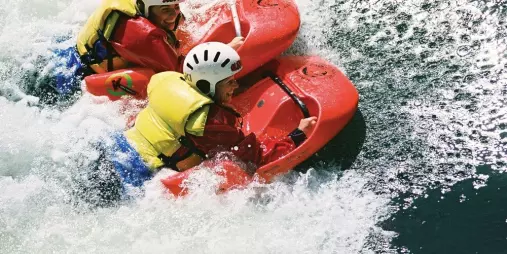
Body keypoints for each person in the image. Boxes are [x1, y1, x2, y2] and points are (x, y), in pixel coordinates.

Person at [30, 0, 244, 103]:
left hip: (65, 54)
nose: (173, 15)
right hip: (69, 78)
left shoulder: (141, 6)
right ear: (147, 9)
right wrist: (225, 50)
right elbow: (185, 72)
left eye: (176, 7)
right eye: (166, 10)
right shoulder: (143, 35)